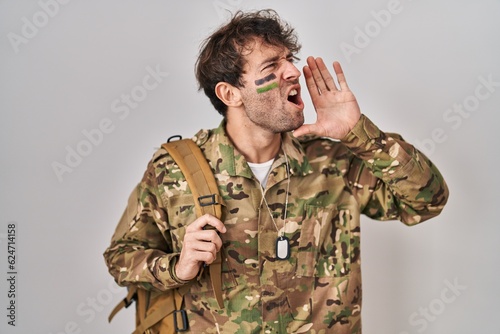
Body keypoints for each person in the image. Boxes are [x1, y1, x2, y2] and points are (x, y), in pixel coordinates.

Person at [103, 9, 448, 333]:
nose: (292, 72)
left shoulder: (334, 161)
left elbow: (428, 201)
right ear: (230, 93)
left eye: (289, 60)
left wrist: (359, 131)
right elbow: (120, 258)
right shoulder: (174, 170)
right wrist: (177, 267)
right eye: (271, 66)